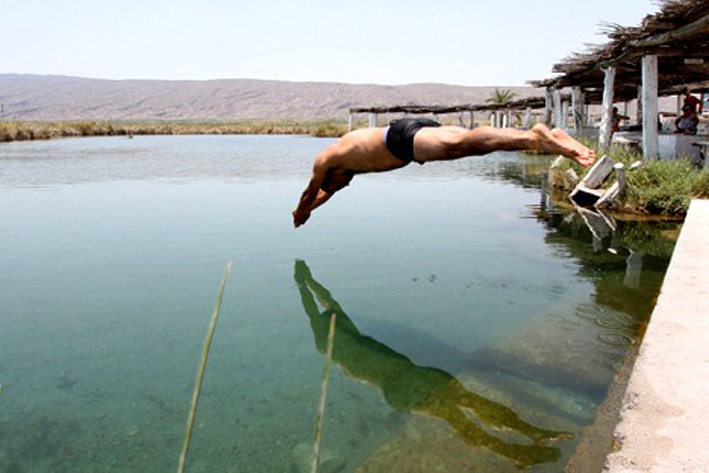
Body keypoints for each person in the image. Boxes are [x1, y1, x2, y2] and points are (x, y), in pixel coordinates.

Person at [294, 259, 572, 469]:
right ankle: (528, 437)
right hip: (407, 378)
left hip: (399, 389)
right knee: (471, 403)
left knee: (461, 417)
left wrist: (303, 283)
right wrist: (306, 280)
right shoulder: (340, 329)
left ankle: (517, 450)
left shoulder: (330, 347)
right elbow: (323, 300)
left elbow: (317, 305)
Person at [292, 119, 596, 227]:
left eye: (338, 183)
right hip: (411, 137)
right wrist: (311, 212)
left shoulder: (326, 159)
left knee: (464, 144)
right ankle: (546, 138)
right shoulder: (345, 170)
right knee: (470, 144)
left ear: (332, 174)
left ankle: (535, 137)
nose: (343, 185)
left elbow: (311, 191)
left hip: (400, 139)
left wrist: (300, 211)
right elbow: (325, 193)